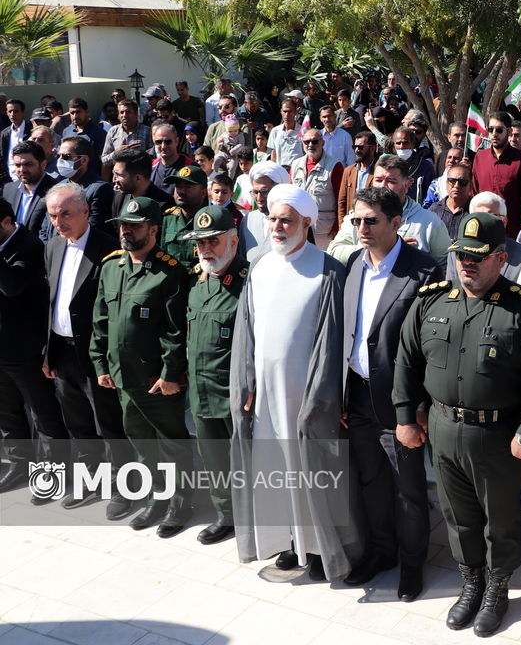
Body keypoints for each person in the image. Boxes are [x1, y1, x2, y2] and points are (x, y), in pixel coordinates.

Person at [392, 212, 521, 636]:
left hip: (498, 434)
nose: (467, 263)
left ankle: (498, 588)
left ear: (501, 258)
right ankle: (471, 582)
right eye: (462, 255)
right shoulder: (431, 300)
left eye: (478, 257)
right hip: (443, 427)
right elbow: (406, 361)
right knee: (458, 516)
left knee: (500, 519)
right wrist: (404, 416)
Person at [229, 184, 362, 582]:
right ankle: (288, 543)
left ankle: (322, 550)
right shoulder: (258, 265)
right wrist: (247, 381)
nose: (277, 227)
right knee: (274, 468)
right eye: (272, 218)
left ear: (307, 222)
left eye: (286, 219)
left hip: (306, 399)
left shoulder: (328, 270)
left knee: (313, 472)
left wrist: (321, 397)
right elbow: (247, 331)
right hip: (267, 397)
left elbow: (332, 343)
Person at [340, 187, 441, 598]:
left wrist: (418, 409)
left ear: (396, 223)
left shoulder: (425, 272)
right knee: (372, 482)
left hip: (401, 405)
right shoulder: (352, 264)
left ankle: (413, 565)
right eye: (356, 221)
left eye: (371, 221)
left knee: (409, 490)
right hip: (358, 397)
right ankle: (382, 552)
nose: (362, 228)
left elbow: (433, 350)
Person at [89, 196, 193, 536]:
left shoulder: (169, 272)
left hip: (154, 380)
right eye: (122, 225)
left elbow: (175, 332)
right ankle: (157, 497)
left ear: (153, 229)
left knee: (171, 441)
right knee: (141, 441)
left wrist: (170, 374)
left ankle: (180, 501)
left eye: (133, 226)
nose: (125, 231)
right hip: (122, 378)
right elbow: (100, 321)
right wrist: (100, 364)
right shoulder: (110, 267)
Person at [42, 182, 130, 515]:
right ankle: (90, 481)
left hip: (96, 356)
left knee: (109, 423)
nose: (59, 221)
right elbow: (50, 303)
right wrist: (48, 353)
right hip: (62, 352)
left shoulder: (109, 250)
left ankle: (123, 486)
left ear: (85, 211)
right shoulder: (52, 248)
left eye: (65, 213)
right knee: (77, 422)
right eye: (53, 215)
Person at [181, 205, 248, 546]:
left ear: (234, 241)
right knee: (214, 461)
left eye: (214, 242)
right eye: (200, 244)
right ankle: (227, 516)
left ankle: (256, 519)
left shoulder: (249, 285)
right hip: (203, 393)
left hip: (236, 396)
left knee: (247, 462)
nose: (206, 250)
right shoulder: (197, 284)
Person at [0, 195, 67, 497]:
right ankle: (19, 463)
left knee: (43, 412)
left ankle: (54, 471)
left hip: (25, 348)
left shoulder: (29, 245)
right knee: (7, 412)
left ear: (6, 222)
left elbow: (11, 285)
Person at [471, 111, 521, 238]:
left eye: (499, 130)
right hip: (483, 229)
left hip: (512, 232)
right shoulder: (480, 157)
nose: (494, 134)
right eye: (491, 130)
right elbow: (474, 193)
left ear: (510, 131)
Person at [290, 127, 344, 248]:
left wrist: (338, 226)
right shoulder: (295, 164)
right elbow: (291, 196)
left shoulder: (334, 166)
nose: (310, 145)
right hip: (299, 227)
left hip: (324, 229)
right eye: (306, 142)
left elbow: (342, 200)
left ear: (322, 142)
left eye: (314, 141)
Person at [56, 136, 115, 236]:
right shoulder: (59, 187)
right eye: (58, 156)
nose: (60, 160)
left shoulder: (100, 189)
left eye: (66, 157)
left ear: (83, 160)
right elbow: (47, 226)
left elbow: (95, 227)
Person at [159, 165, 209, 271]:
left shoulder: (212, 219)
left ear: (203, 192)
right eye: (178, 186)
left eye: (188, 186)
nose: (181, 191)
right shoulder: (169, 218)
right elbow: (162, 254)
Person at [5, 141, 56, 241]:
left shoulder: (55, 192)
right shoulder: (8, 189)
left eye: (28, 164)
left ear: (43, 164)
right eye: (17, 165)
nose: (22, 170)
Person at [239, 161, 289, 256]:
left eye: (264, 192)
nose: (259, 198)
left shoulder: (292, 222)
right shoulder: (247, 220)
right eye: (255, 192)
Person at [336, 130, 378, 222]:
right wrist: (342, 226)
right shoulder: (348, 171)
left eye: (361, 147)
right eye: (354, 147)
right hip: (351, 222)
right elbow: (342, 202)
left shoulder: (379, 171)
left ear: (373, 148)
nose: (356, 150)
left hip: (371, 222)